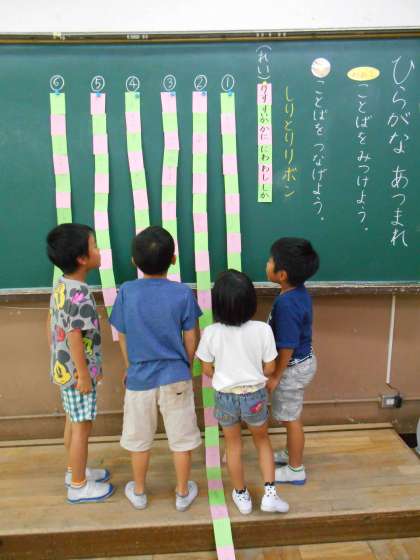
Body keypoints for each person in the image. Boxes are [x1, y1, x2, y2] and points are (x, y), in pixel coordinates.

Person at [110, 226, 202, 511]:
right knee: (181, 438)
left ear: (134, 261)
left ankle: (139, 491)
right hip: (176, 375)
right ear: (173, 259)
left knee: (139, 438)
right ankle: (182, 492)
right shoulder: (182, 293)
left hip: (139, 377)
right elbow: (192, 335)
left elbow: (122, 334)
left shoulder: (127, 292)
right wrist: (186, 364)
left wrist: (130, 366)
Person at [196, 270, 289, 515]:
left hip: (225, 397)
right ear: (251, 301)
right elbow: (270, 368)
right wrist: (255, 373)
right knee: (262, 441)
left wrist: (225, 374)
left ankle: (241, 495)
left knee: (233, 446)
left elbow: (206, 369)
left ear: (217, 304)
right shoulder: (262, 330)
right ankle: (270, 494)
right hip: (255, 396)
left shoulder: (211, 332)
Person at [46, 223, 114, 503]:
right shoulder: (81, 295)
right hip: (78, 375)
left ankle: (74, 470)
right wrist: (84, 375)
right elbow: (75, 335)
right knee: (81, 427)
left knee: (72, 421)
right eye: (94, 246)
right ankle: (78, 486)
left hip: (64, 368)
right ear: (82, 259)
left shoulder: (62, 285)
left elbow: (51, 322)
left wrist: (55, 354)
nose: (99, 250)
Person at [266, 237, 319, 485]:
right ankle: (290, 454)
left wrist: (276, 375)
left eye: (270, 261)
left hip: (293, 367)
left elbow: (287, 344)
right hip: (300, 362)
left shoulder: (287, 303)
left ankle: (296, 469)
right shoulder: (294, 292)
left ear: (282, 274)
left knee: (291, 419)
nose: (266, 263)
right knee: (290, 415)